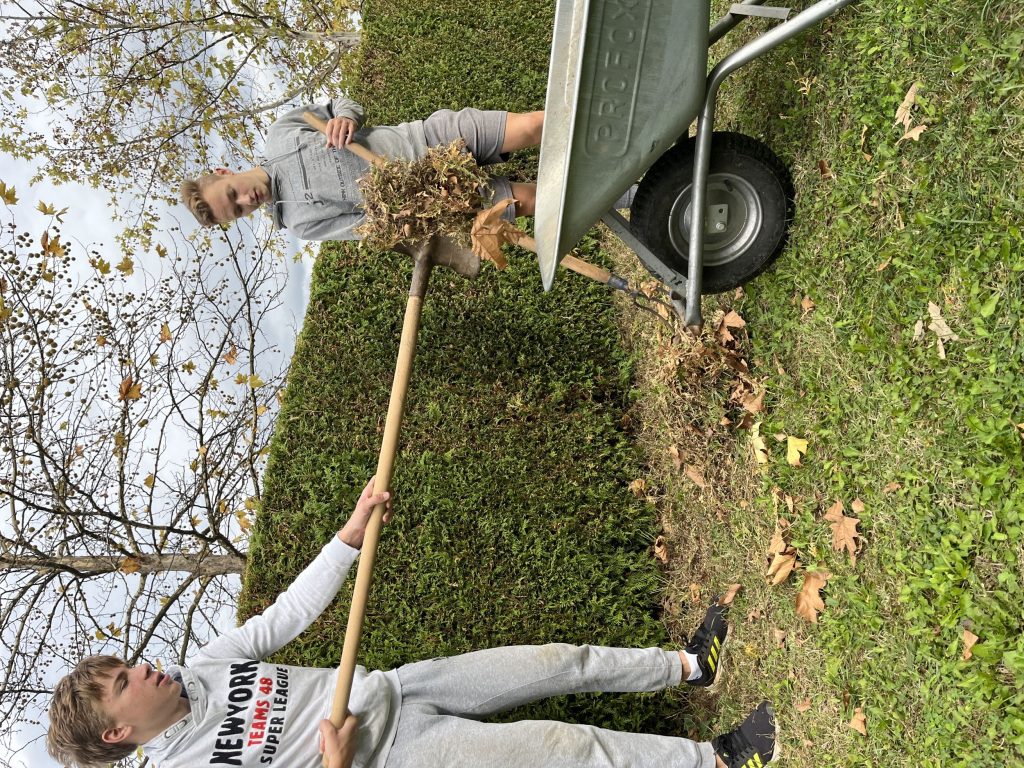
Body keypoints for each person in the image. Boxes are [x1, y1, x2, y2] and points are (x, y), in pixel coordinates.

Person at [46, 477, 779, 768]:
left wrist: (350, 533)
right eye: (124, 681)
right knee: (567, 749)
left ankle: (690, 667)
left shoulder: (205, 666)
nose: (142, 668)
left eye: (126, 663)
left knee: (557, 662)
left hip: (402, 686)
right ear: (117, 733)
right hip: (403, 753)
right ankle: (716, 762)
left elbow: (288, 612)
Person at [179, 99, 543, 239]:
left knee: (533, 126)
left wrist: (345, 118)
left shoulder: (281, 135)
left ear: (224, 173)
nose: (247, 200)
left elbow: (342, 104)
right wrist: (402, 218)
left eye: (233, 194)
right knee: (540, 201)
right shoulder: (300, 223)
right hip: (444, 197)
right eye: (238, 210)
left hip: (431, 138)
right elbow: (372, 226)